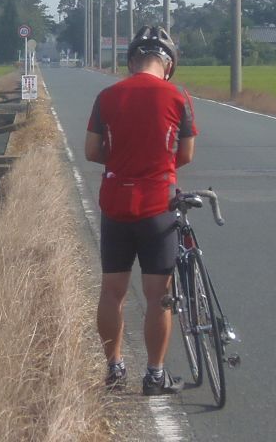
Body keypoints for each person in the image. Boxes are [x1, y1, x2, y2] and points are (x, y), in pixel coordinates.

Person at [85, 26, 198, 396]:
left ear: (132, 61)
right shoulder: (178, 96)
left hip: (116, 203)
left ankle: (114, 368)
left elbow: (91, 150)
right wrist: (157, 165)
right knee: (157, 296)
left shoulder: (107, 96)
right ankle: (154, 375)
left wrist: (120, 161)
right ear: (167, 64)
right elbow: (185, 154)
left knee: (112, 291)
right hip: (157, 205)